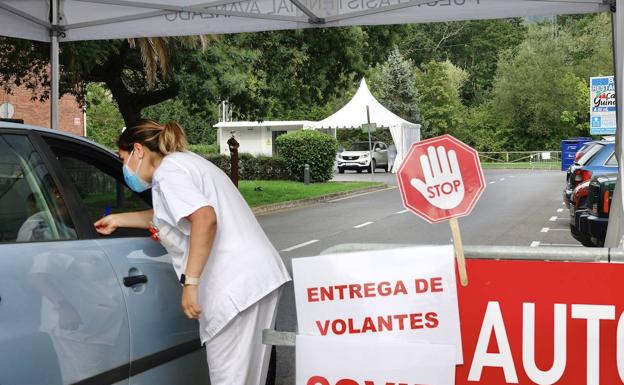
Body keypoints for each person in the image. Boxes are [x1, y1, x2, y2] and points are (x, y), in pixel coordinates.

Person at [93, 119, 291, 385]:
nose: (124, 168)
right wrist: (119, 219)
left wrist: (190, 282)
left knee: (229, 379)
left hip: (235, 288)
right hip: (255, 279)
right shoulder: (184, 163)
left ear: (138, 150)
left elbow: (204, 218)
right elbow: (167, 216)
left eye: (122, 158)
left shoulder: (168, 173)